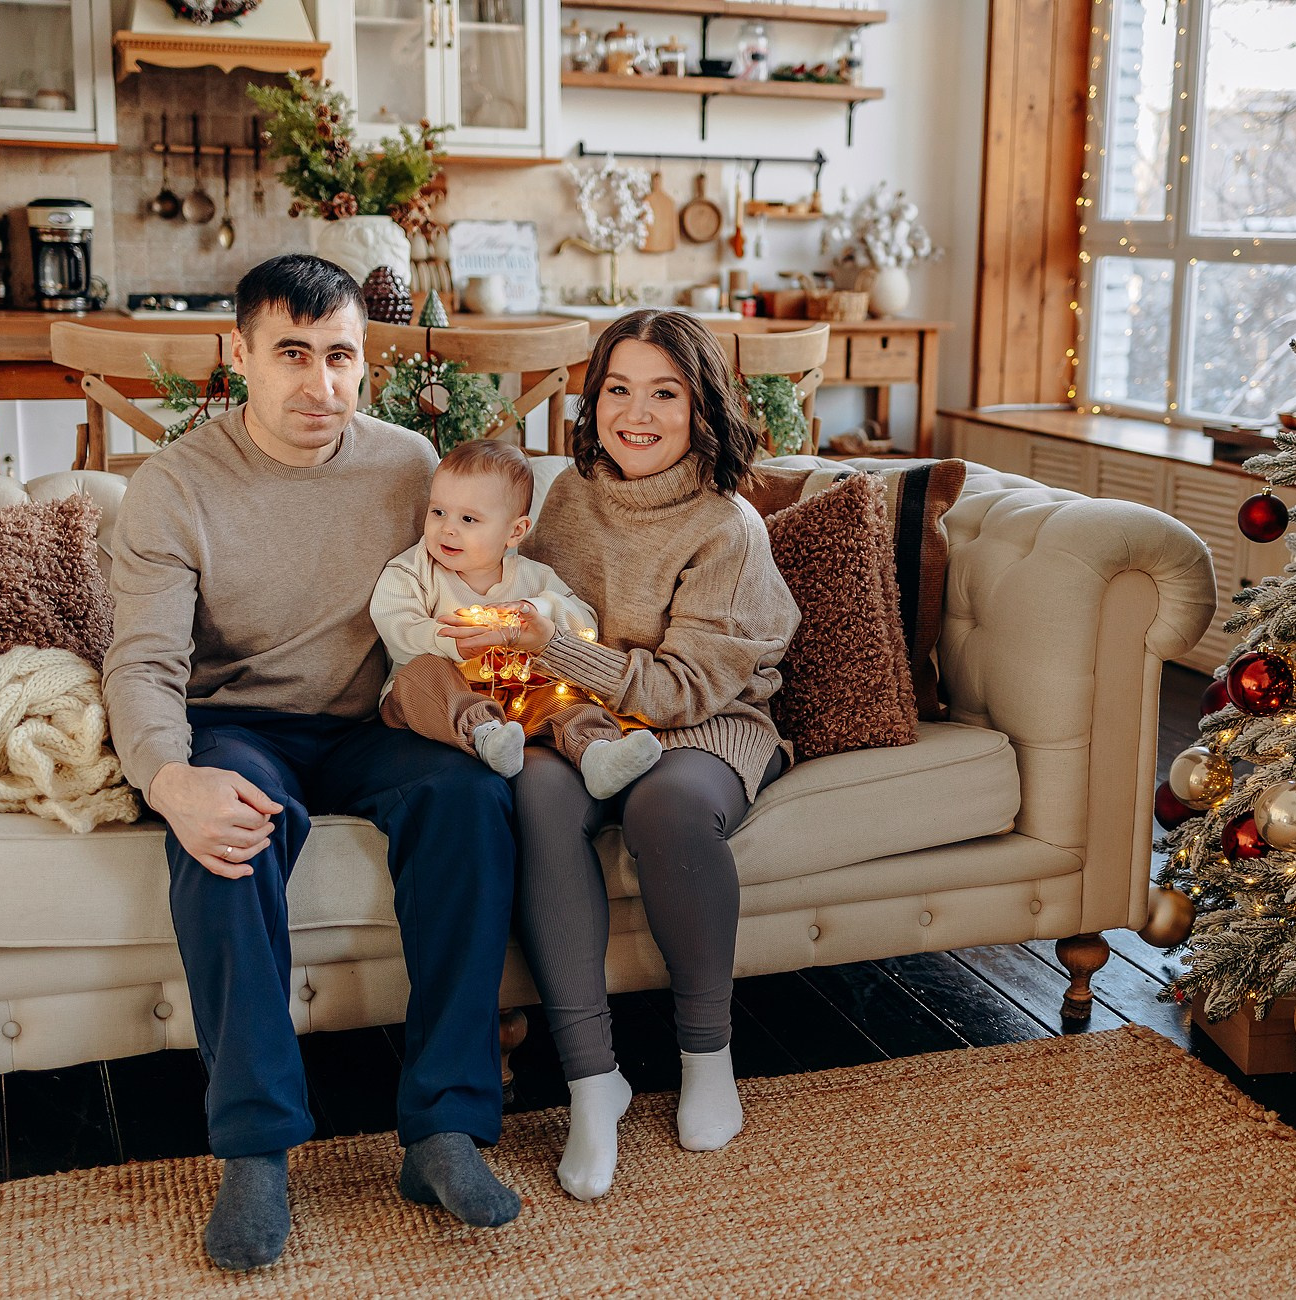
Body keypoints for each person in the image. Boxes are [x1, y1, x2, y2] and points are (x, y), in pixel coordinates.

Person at [101, 254, 521, 1272]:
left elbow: (481, 579)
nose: (320, 384)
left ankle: (444, 1128)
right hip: (246, 720)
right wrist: (171, 778)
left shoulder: (412, 468)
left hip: (380, 714)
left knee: (470, 799)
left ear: (364, 364)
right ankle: (256, 1147)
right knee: (227, 829)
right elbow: (144, 661)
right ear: (236, 355)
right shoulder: (174, 487)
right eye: (292, 353)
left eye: (341, 356)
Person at [402, 309, 800, 1202]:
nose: (637, 412)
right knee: (533, 796)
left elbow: (680, 690)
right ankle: (593, 1082)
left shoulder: (729, 527)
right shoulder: (572, 495)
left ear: (703, 406)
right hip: (583, 722)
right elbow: (521, 604)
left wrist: (551, 648)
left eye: (665, 392)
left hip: (707, 722)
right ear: (593, 401)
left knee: (662, 803)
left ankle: (707, 1059)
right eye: (618, 388)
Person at [371, 438, 665, 798]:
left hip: (518, 700)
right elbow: (395, 624)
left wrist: (540, 609)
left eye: (468, 519)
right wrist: (446, 639)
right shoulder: (413, 571)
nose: (448, 528)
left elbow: (585, 622)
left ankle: (596, 754)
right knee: (422, 673)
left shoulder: (534, 577)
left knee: (567, 696)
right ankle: (484, 736)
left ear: (515, 532)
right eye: (438, 512)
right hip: (434, 699)